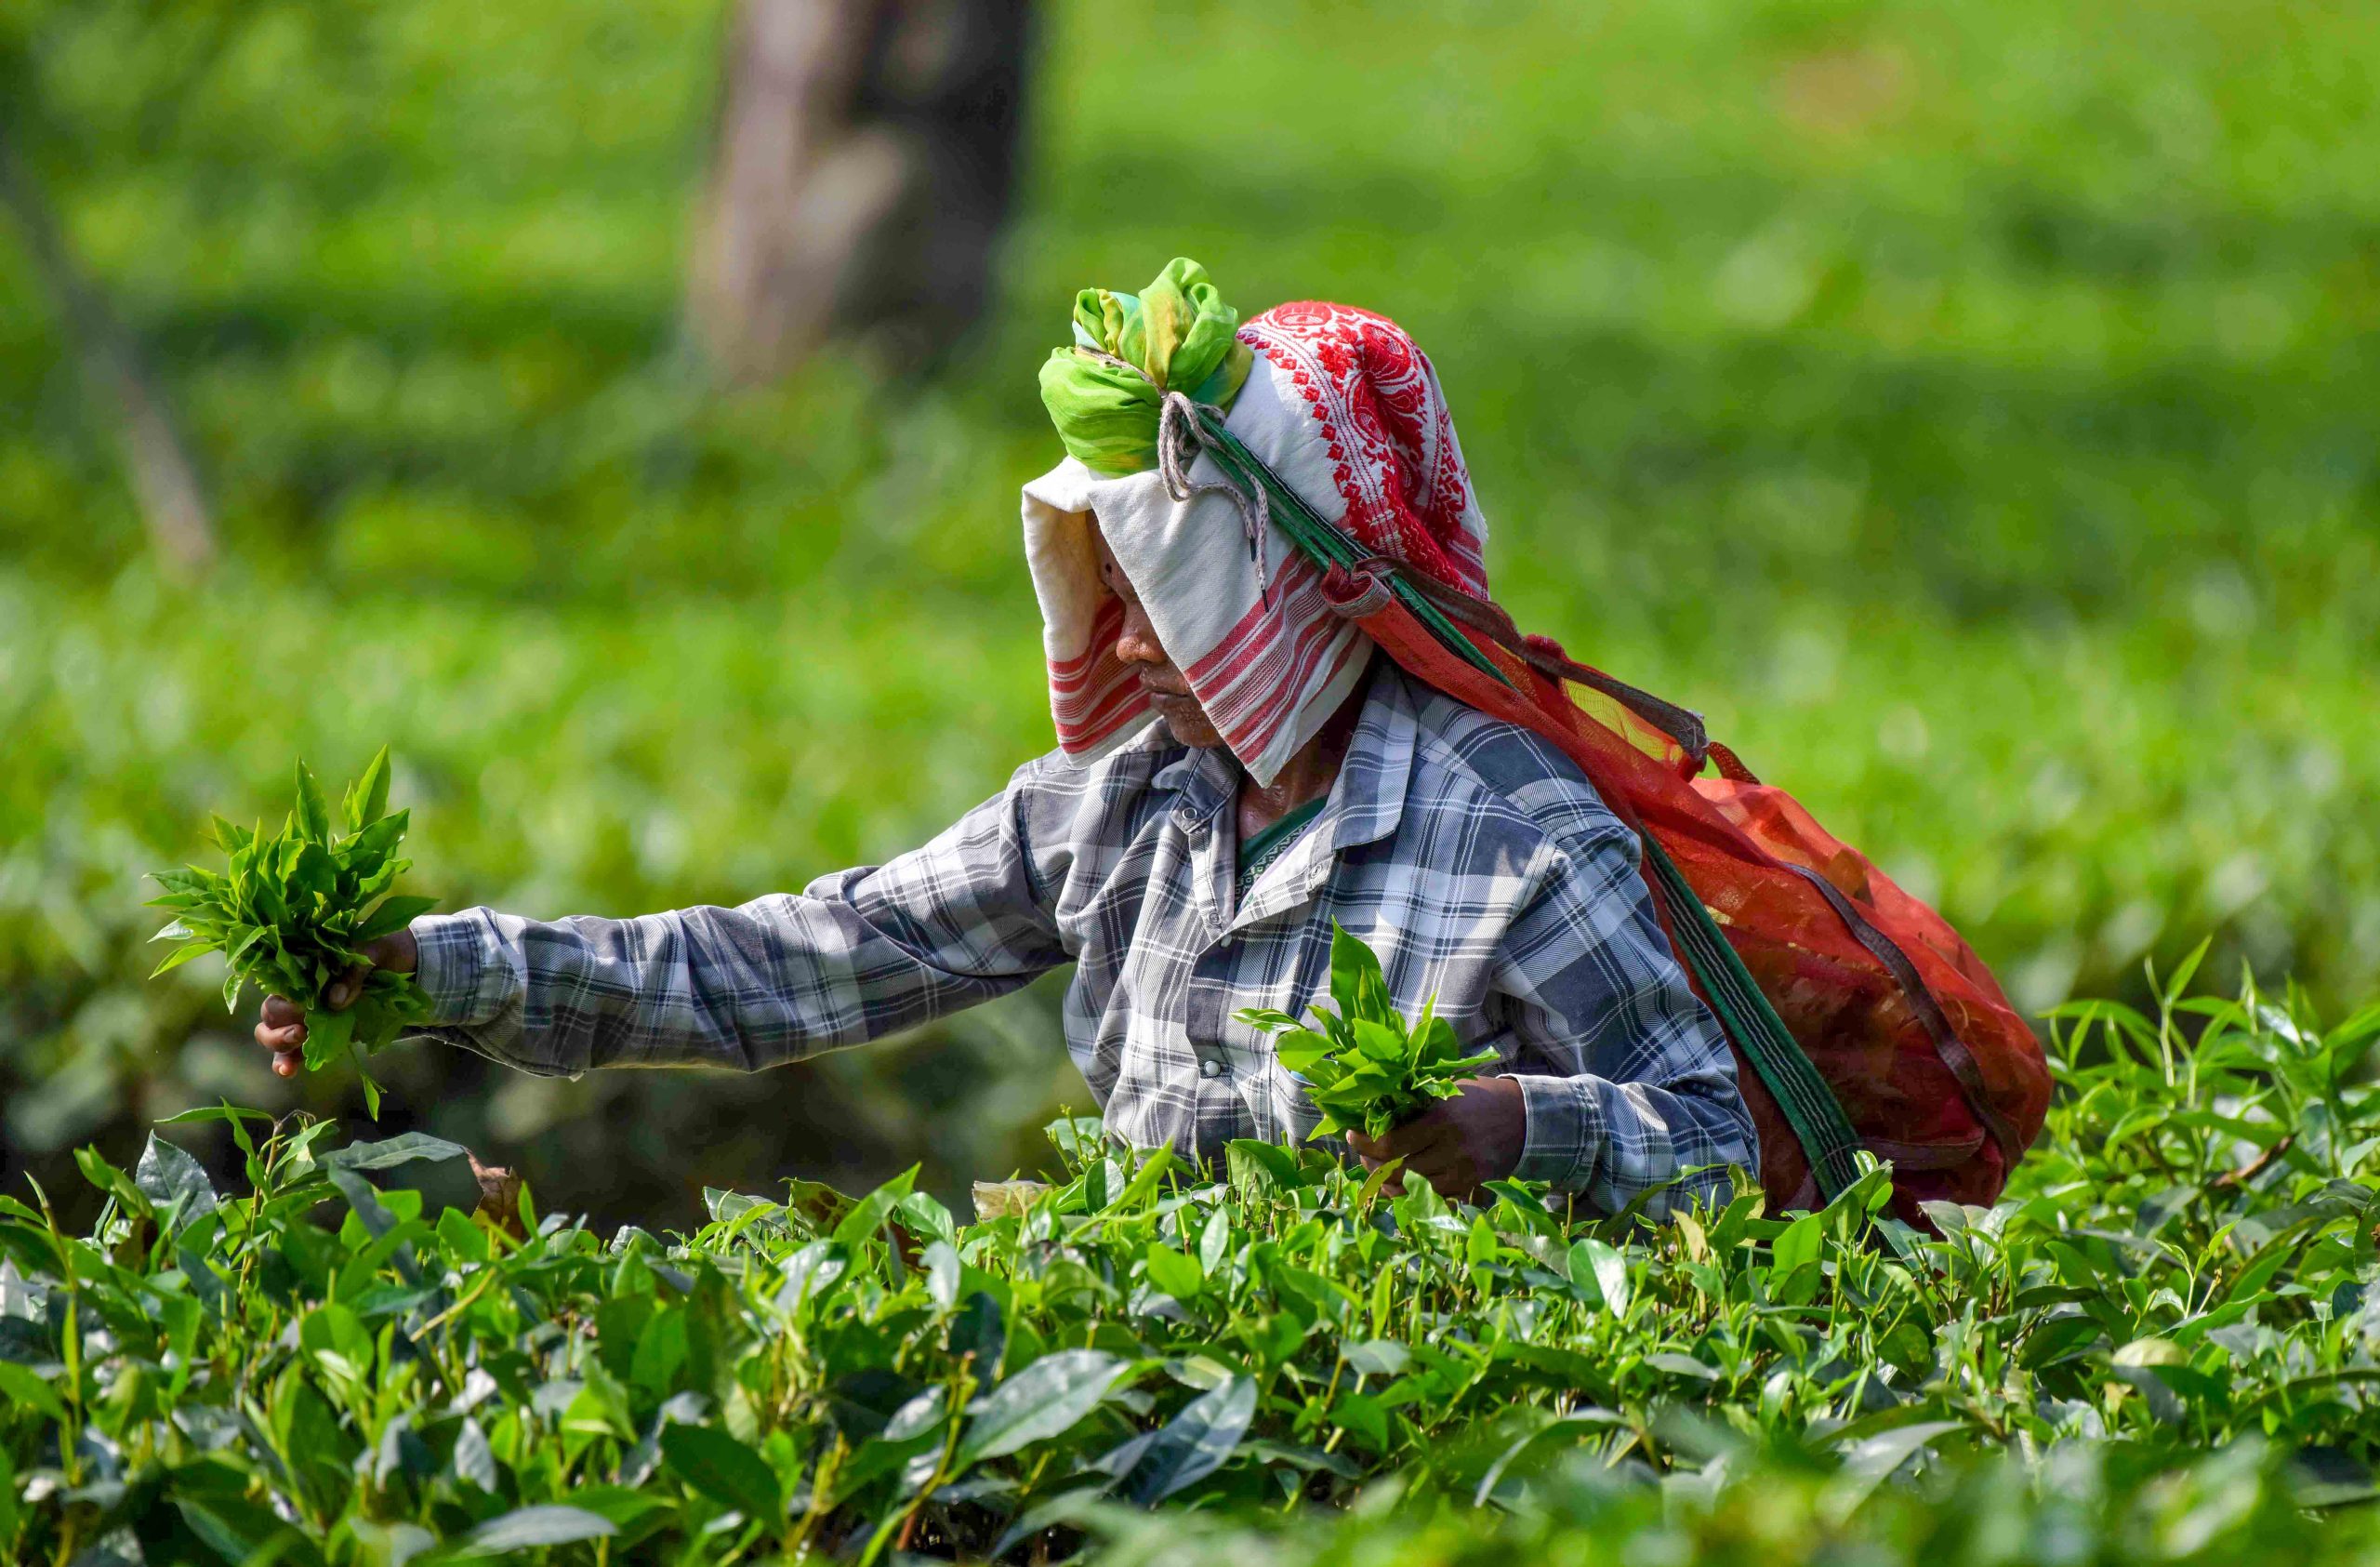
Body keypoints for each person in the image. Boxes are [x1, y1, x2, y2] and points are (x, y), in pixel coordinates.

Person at [252, 259, 1756, 1212]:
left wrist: (1511, 1127)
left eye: (1177, 592)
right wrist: (438, 968)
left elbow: (1718, 1136)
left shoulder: (1511, 832)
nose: (1133, 641)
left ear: (1296, 587)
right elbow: (786, 965)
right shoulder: (1126, 810)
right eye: (1121, 590)